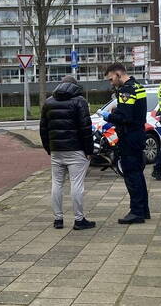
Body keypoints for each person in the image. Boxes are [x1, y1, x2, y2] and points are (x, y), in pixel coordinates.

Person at [39, 75, 96, 230]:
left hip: (56, 151)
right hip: (76, 150)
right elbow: (86, 129)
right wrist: (89, 150)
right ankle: (78, 220)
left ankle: (58, 219)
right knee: (76, 184)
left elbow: (43, 128)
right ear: (75, 86)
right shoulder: (80, 102)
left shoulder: (48, 102)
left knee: (56, 184)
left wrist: (48, 148)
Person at [101, 62, 150, 224]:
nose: (111, 82)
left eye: (111, 79)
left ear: (118, 74)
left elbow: (125, 117)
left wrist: (108, 116)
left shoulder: (126, 90)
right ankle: (143, 209)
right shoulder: (138, 86)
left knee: (131, 174)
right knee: (138, 173)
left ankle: (136, 212)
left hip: (129, 137)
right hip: (138, 134)